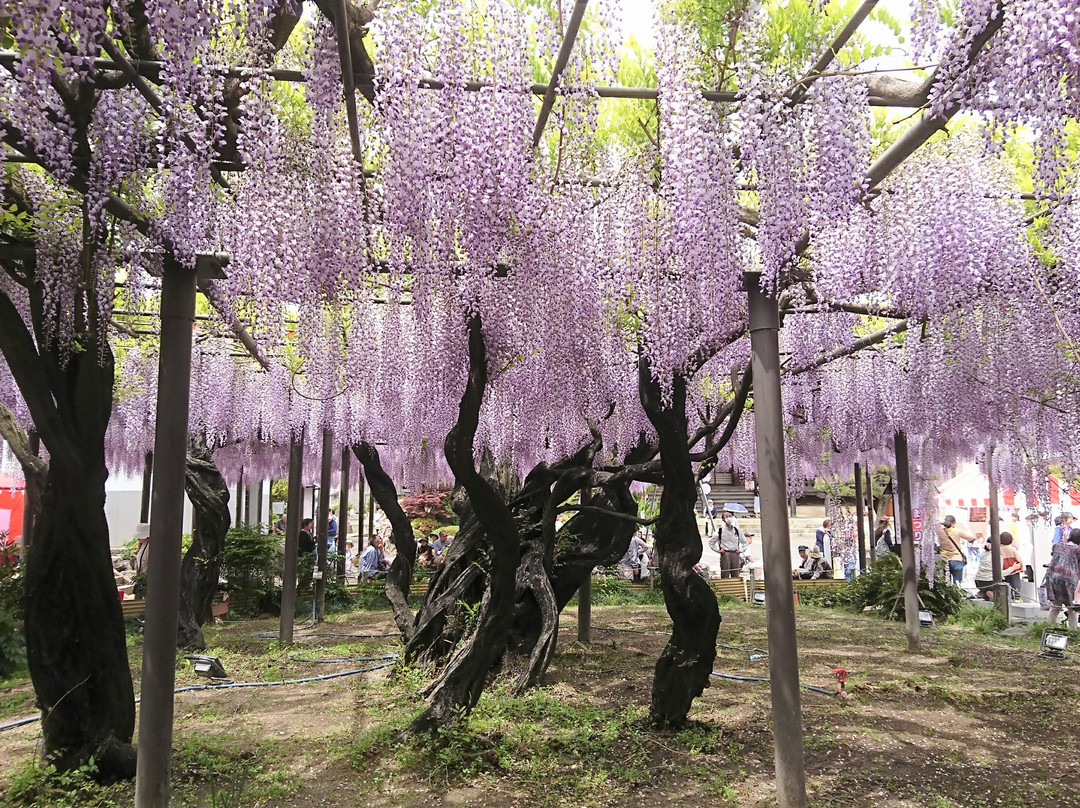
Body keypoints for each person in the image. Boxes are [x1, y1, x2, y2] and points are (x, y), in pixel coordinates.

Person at [973, 532, 1024, 600]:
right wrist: (1016, 567)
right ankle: (1016, 597)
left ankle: (983, 593)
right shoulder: (1000, 554)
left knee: (1006, 582)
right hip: (992, 581)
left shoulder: (984, 553)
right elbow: (999, 573)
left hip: (978, 581)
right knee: (1012, 584)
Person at [1045, 528, 1080, 629]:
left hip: (1052, 577)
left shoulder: (1058, 545)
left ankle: (1049, 628)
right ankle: (1073, 631)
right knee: (1072, 608)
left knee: (1055, 606)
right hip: (1069, 580)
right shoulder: (1077, 550)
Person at [938, 515, 974, 587]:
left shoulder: (939, 531)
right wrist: (967, 527)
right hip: (956, 558)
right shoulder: (957, 531)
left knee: (946, 583)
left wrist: (940, 523)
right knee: (957, 583)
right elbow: (971, 538)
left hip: (944, 559)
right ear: (954, 523)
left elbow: (930, 527)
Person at [716, 511, 747, 578]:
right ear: (723, 519)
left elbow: (745, 542)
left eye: (730, 516)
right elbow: (711, 542)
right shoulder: (720, 531)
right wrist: (718, 550)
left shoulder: (737, 531)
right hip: (725, 553)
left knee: (735, 573)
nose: (729, 518)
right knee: (725, 572)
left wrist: (741, 550)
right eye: (726, 517)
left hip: (735, 553)